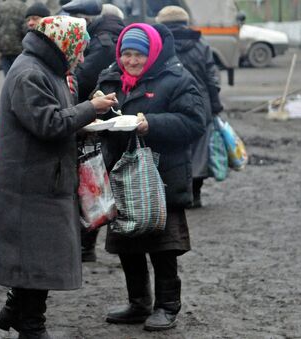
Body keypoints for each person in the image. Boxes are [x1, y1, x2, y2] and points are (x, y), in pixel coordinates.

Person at [0, 16, 118, 338]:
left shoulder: (44, 68)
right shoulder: (30, 73)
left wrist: (83, 121)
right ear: (65, 44)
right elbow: (48, 123)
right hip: (30, 183)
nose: (82, 57)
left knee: (38, 257)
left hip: (41, 178)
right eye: (80, 49)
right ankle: (32, 327)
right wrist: (90, 109)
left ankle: (16, 312)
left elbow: (55, 119)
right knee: (38, 259)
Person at [95, 23, 205, 331]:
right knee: (128, 241)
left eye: (138, 55)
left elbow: (195, 122)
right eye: (126, 54)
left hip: (161, 175)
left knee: (163, 246)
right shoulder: (111, 77)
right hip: (121, 173)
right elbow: (98, 113)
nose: (131, 61)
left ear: (153, 53)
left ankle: (167, 306)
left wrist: (150, 124)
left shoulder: (177, 79)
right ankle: (138, 303)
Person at [69, 3, 125, 262]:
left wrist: (80, 108)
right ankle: (85, 245)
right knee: (97, 184)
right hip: (96, 114)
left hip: (93, 115)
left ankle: (85, 246)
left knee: (92, 184)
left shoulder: (102, 43)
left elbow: (83, 74)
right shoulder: (117, 39)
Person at [156, 5, 223, 208]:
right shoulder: (201, 44)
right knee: (199, 152)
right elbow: (212, 79)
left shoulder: (159, 45)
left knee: (172, 150)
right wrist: (215, 105)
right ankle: (196, 194)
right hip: (200, 105)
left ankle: (173, 194)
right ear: (185, 22)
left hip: (168, 105)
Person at [0, 0, 27, 75]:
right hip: (19, 51)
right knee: (19, 77)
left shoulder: (0, 7)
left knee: (8, 78)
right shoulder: (23, 7)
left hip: (4, 50)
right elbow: (25, 29)